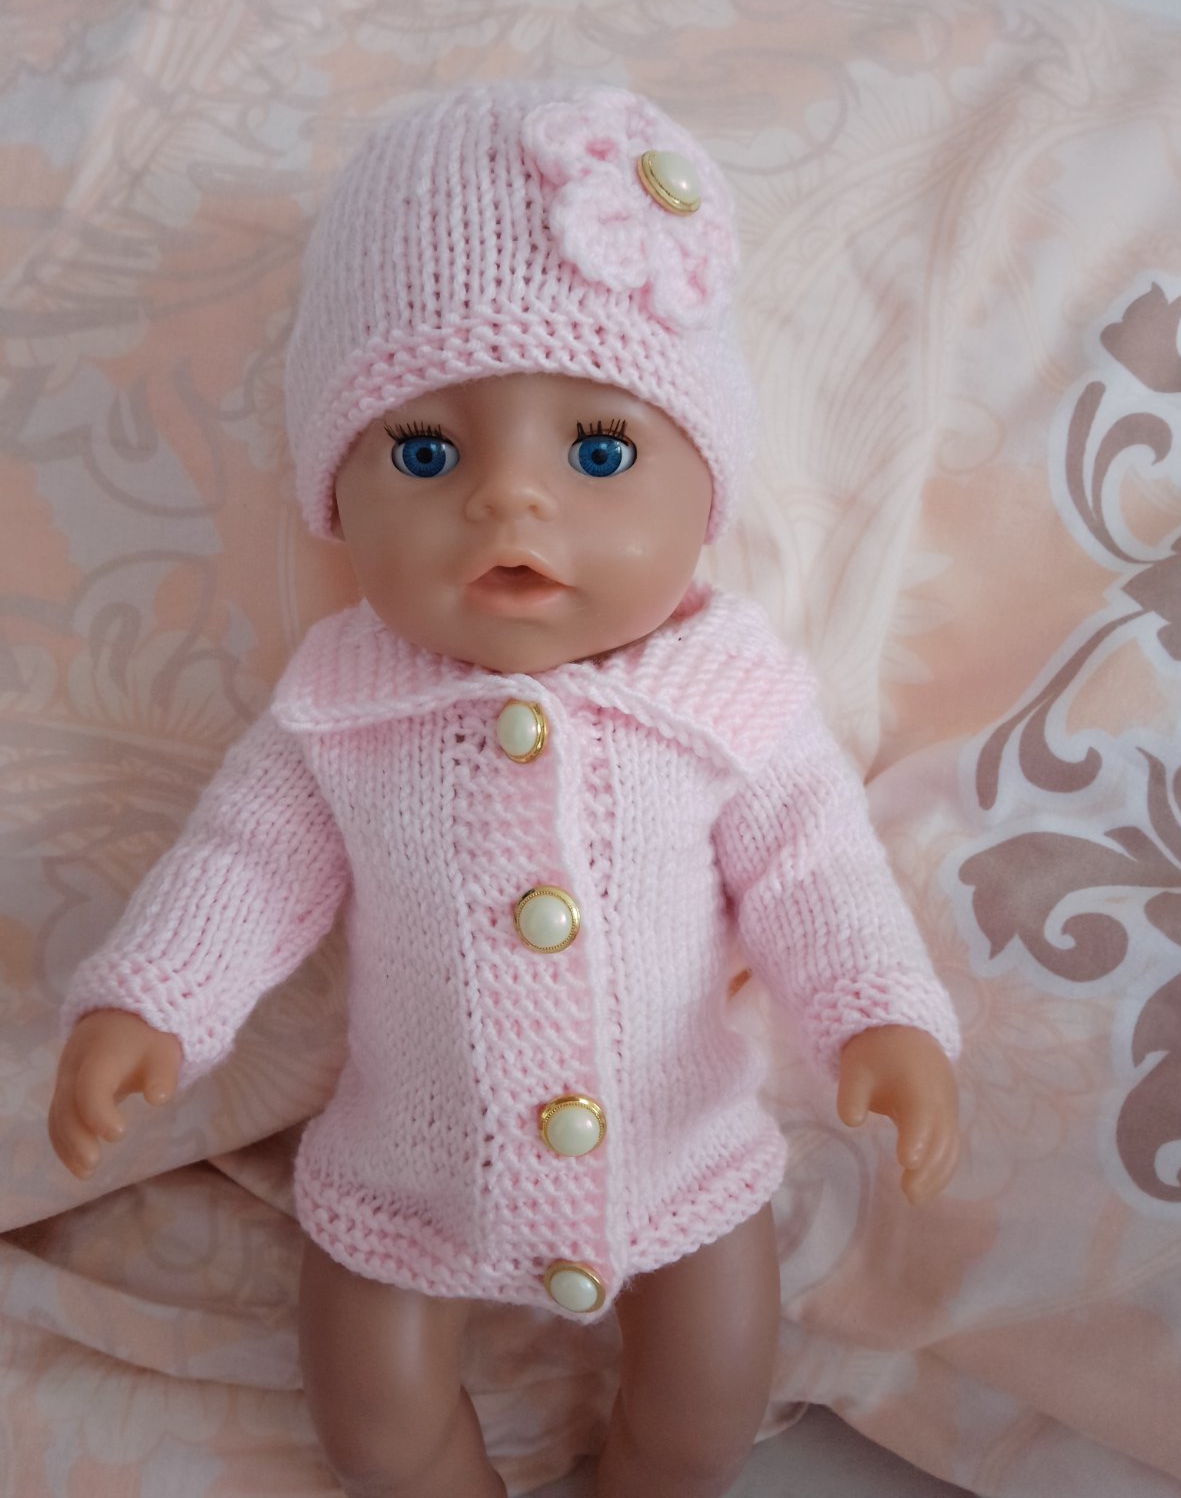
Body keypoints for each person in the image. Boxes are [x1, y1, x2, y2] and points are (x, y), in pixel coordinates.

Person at [48, 81, 961, 1498]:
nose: (510, 501)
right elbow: (243, 865)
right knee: (375, 1418)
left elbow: (816, 869)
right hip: (406, 1165)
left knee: (706, 1403)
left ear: (704, 489)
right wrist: (153, 999)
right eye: (427, 452)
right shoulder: (341, 703)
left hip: (679, 1151)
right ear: (337, 498)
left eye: (600, 452)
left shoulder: (727, 692)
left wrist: (879, 1016)